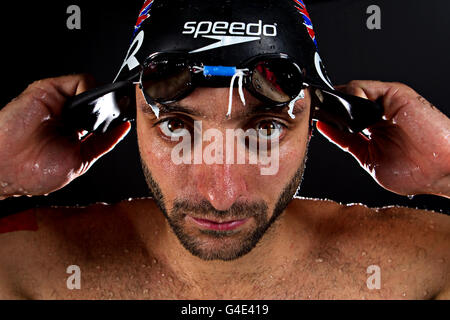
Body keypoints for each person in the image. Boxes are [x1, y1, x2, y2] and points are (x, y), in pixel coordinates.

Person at [0, 0, 448, 300]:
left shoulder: (428, 269)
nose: (222, 195)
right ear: (127, 118)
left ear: (317, 122)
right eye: (176, 126)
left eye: (265, 129)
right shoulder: (26, 267)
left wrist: (444, 170)